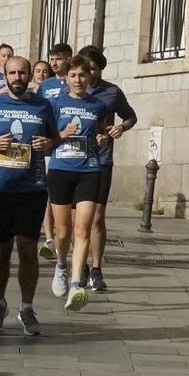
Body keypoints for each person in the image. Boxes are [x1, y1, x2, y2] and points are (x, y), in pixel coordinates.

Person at [0, 58, 56, 335]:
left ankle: (27, 308)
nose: (17, 77)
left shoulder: (43, 106)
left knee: (28, 249)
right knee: (1, 249)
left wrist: (49, 143)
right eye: (12, 73)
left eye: (22, 72)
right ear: (5, 75)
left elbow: (55, 138)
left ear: (30, 75)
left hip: (33, 187)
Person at [42, 54, 115, 311]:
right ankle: (61, 265)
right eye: (73, 75)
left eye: (82, 75)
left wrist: (103, 138)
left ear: (89, 77)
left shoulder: (97, 105)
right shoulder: (55, 103)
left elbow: (102, 132)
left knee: (82, 229)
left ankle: (76, 284)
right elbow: (48, 139)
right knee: (63, 232)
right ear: (66, 78)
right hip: (60, 169)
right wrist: (61, 135)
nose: (78, 80)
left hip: (89, 170)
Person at [76, 47, 138, 292]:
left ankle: (96, 268)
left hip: (101, 160)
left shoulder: (111, 92)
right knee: (76, 220)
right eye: (84, 68)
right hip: (74, 161)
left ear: (101, 68)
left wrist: (120, 128)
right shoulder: (70, 90)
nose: (88, 74)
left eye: (92, 69)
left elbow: (130, 116)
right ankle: (79, 266)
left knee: (97, 217)